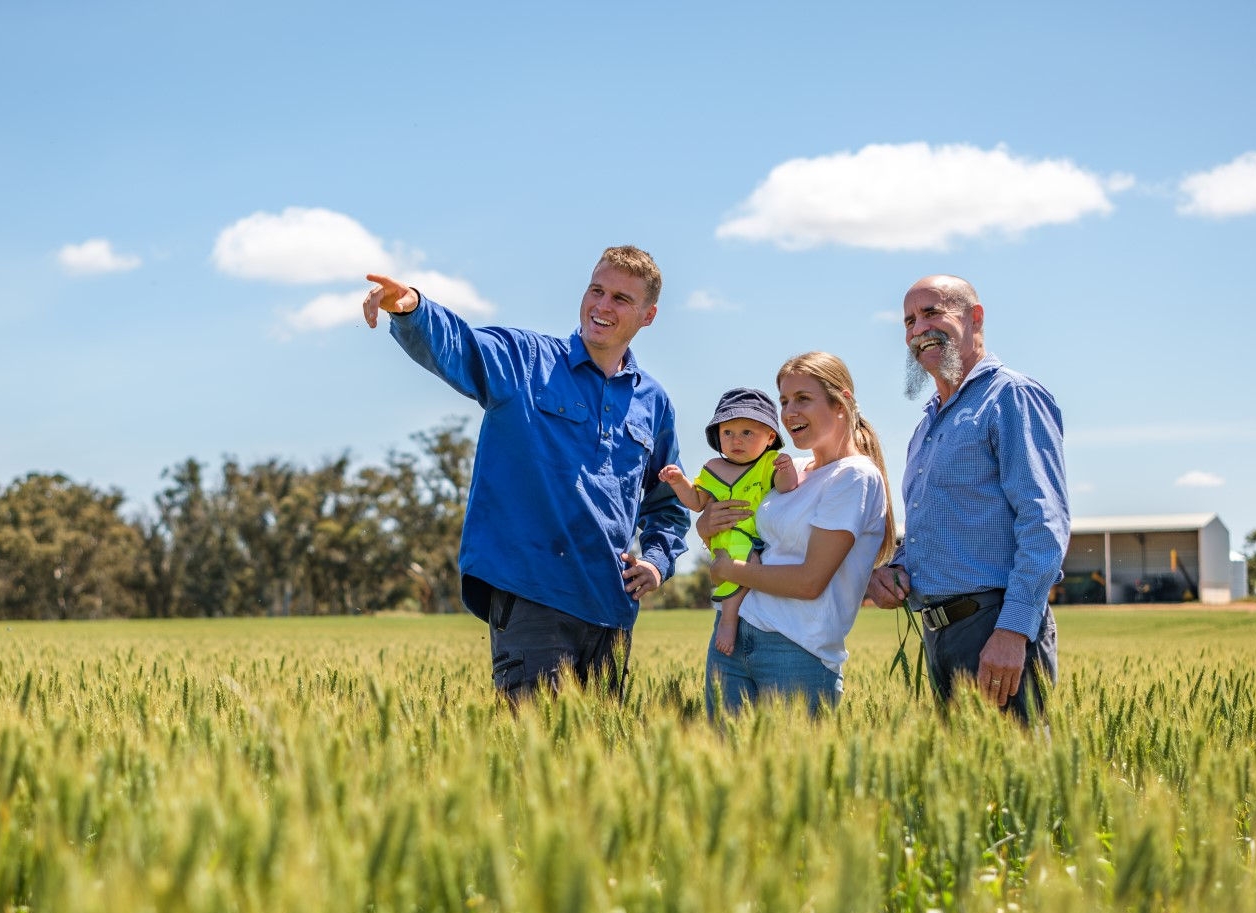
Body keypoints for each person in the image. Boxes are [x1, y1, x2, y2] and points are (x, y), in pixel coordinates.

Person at [361, 246, 688, 699]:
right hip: (533, 594)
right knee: (532, 758)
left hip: (612, 609)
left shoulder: (654, 402)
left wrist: (656, 560)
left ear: (647, 315)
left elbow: (667, 503)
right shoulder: (526, 360)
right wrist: (413, 308)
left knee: (600, 762)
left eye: (620, 298)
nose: (602, 306)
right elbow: (463, 349)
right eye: (596, 290)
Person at [864, 274, 1070, 719]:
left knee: (1017, 779)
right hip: (940, 633)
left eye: (932, 313)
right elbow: (943, 529)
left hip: (994, 628)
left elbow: (1043, 524)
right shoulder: (926, 426)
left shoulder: (1011, 397)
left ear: (975, 318)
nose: (919, 329)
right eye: (909, 321)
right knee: (972, 786)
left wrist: (1013, 631)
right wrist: (896, 569)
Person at [697, 352, 895, 720]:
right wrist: (705, 526)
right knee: (727, 773)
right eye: (784, 401)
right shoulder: (790, 470)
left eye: (803, 399)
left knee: (793, 776)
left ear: (842, 403)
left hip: (796, 650)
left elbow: (809, 582)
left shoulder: (854, 477)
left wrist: (730, 571)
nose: (789, 412)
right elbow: (742, 534)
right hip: (733, 636)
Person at [658, 388, 798, 657]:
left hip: (752, 537)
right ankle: (729, 617)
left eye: (748, 432)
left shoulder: (769, 463)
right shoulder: (713, 468)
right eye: (728, 433)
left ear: (770, 437)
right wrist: (679, 482)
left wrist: (786, 469)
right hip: (725, 537)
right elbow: (697, 502)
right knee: (742, 562)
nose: (736, 440)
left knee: (749, 562)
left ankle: (731, 616)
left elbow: (787, 487)